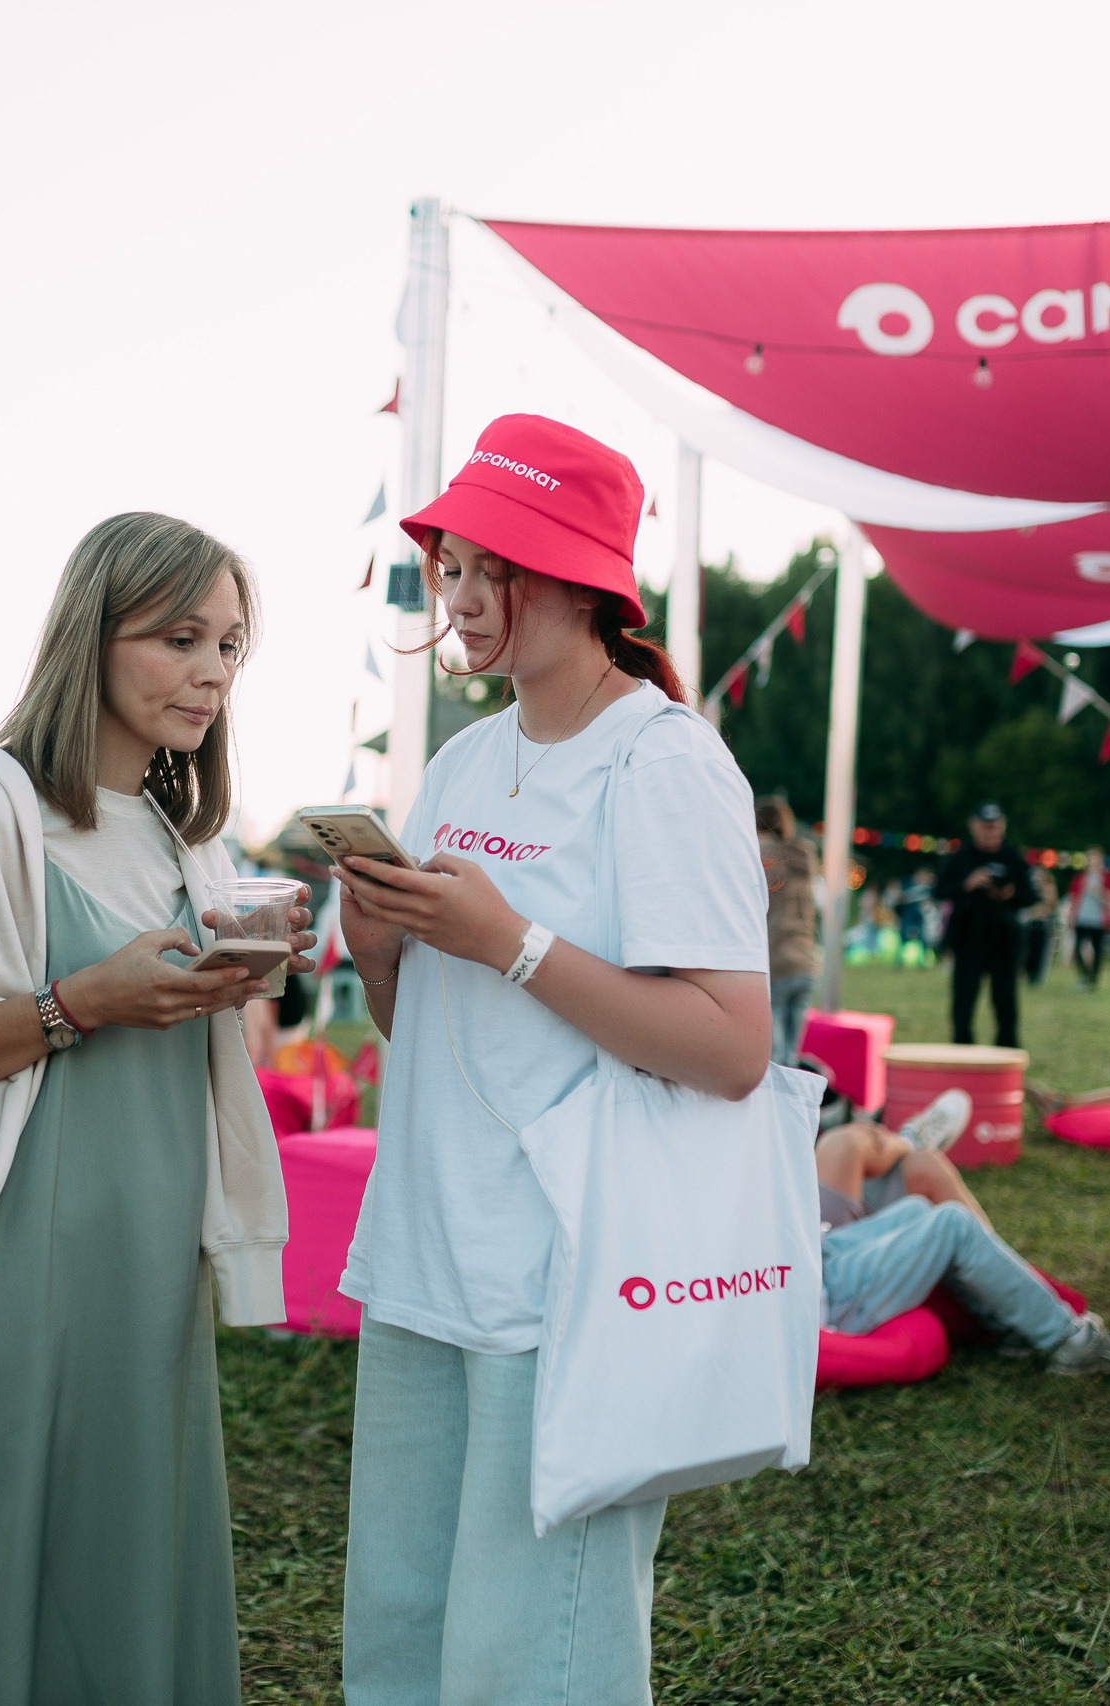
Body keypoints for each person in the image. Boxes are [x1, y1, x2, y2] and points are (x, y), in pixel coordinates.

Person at [333, 414, 773, 1705]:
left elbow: (734, 1045)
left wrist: (513, 941)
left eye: (487, 568)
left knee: (530, 1663)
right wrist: (380, 951)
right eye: (449, 567)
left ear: (578, 577)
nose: (458, 599)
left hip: (573, 1274)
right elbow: (443, 1043)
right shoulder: (467, 760)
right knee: (402, 1644)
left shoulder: (663, 758)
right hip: (425, 1252)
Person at [0, 512, 311, 1706]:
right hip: (26, 1248)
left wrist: (241, 968)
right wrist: (80, 1000)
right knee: (0, 1557)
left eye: (231, 645)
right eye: (181, 637)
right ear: (91, 638)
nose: (212, 670)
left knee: (124, 1546)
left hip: (154, 1250)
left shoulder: (175, 832)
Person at [817, 1090, 1110, 1374]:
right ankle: (1071, 1340)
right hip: (820, 1295)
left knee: (917, 1207)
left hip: (817, 1256)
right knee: (951, 1224)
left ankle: (1006, 1321)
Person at [934, 803, 1031, 1047]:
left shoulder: (1012, 857)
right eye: (985, 826)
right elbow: (939, 890)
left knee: (1006, 1003)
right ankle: (963, 1055)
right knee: (963, 1004)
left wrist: (1010, 893)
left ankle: (1006, 1056)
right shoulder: (961, 856)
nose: (990, 832)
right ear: (974, 826)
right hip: (968, 938)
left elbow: (1030, 895)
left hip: (1003, 940)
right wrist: (968, 884)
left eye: (995, 826)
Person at [758, 794, 819, 1064]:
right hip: (806, 959)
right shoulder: (804, 858)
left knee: (773, 1055)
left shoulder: (765, 858)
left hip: (777, 958)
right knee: (791, 1056)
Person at [1065, 848, 1110, 990]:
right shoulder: (1081, 877)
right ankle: (1084, 976)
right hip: (1082, 917)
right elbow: (1073, 897)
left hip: (1099, 920)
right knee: (1078, 948)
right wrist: (1071, 915)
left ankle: (1094, 979)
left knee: (1098, 951)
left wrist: (1101, 893)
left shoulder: (1107, 878)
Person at [1020, 863, 1058, 986]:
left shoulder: (1049, 888)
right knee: (1026, 951)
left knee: (1040, 952)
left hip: (1043, 924)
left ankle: (1036, 977)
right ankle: (1025, 973)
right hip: (1029, 923)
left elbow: (1051, 905)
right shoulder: (1028, 888)